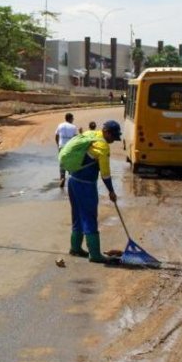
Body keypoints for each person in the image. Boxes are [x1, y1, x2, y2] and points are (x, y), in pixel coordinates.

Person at [66, 120, 122, 263]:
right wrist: (111, 191)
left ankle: (75, 248)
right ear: (107, 132)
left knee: (77, 215)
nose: (113, 141)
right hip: (85, 185)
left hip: (72, 180)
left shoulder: (92, 134)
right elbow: (105, 174)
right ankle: (95, 254)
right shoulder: (102, 147)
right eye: (113, 137)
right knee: (89, 216)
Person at [54, 113, 78, 188]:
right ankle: (71, 178)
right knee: (70, 162)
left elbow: (56, 136)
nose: (73, 119)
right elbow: (75, 138)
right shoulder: (73, 127)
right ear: (70, 118)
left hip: (62, 146)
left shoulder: (60, 125)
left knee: (62, 162)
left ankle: (62, 178)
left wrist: (58, 145)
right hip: (70, 147)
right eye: (72, 118)